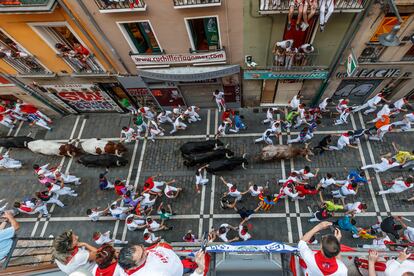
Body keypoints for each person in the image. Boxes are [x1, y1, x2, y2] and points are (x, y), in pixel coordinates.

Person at [118, 244, 206, 276]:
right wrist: (200, 269)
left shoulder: (126, 262)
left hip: (173, 257)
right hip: (180, 269)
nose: (147, 252)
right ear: (132, 267)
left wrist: (161, 246)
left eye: (142, 247)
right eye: (142, 256)